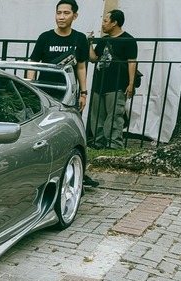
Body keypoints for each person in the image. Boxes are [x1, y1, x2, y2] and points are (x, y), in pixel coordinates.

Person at [27, 0, 98, 187]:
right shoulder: (45, 37)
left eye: (66, 13)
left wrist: (84, 92)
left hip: (68, 93)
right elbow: (33, 64)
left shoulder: (79, 39)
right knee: (41, 132)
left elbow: (81, 67)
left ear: (75, 16)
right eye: (58, 12)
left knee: (70, 133)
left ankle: (76, 172)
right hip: (44, 93)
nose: (61, 17)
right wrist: (30, 89)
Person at [88, 9, 138, 150]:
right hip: (100, 83)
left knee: (115, 115)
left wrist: (131, 83)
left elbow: (132, 62)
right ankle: (99, 142)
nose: (103, 24)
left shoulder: (128, 40)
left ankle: (114, 144)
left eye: (105, 21)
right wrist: (90, 44)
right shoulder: (104, 40)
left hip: (117, 84)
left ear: (115, 22)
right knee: (97, 115)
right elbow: (94, 58)